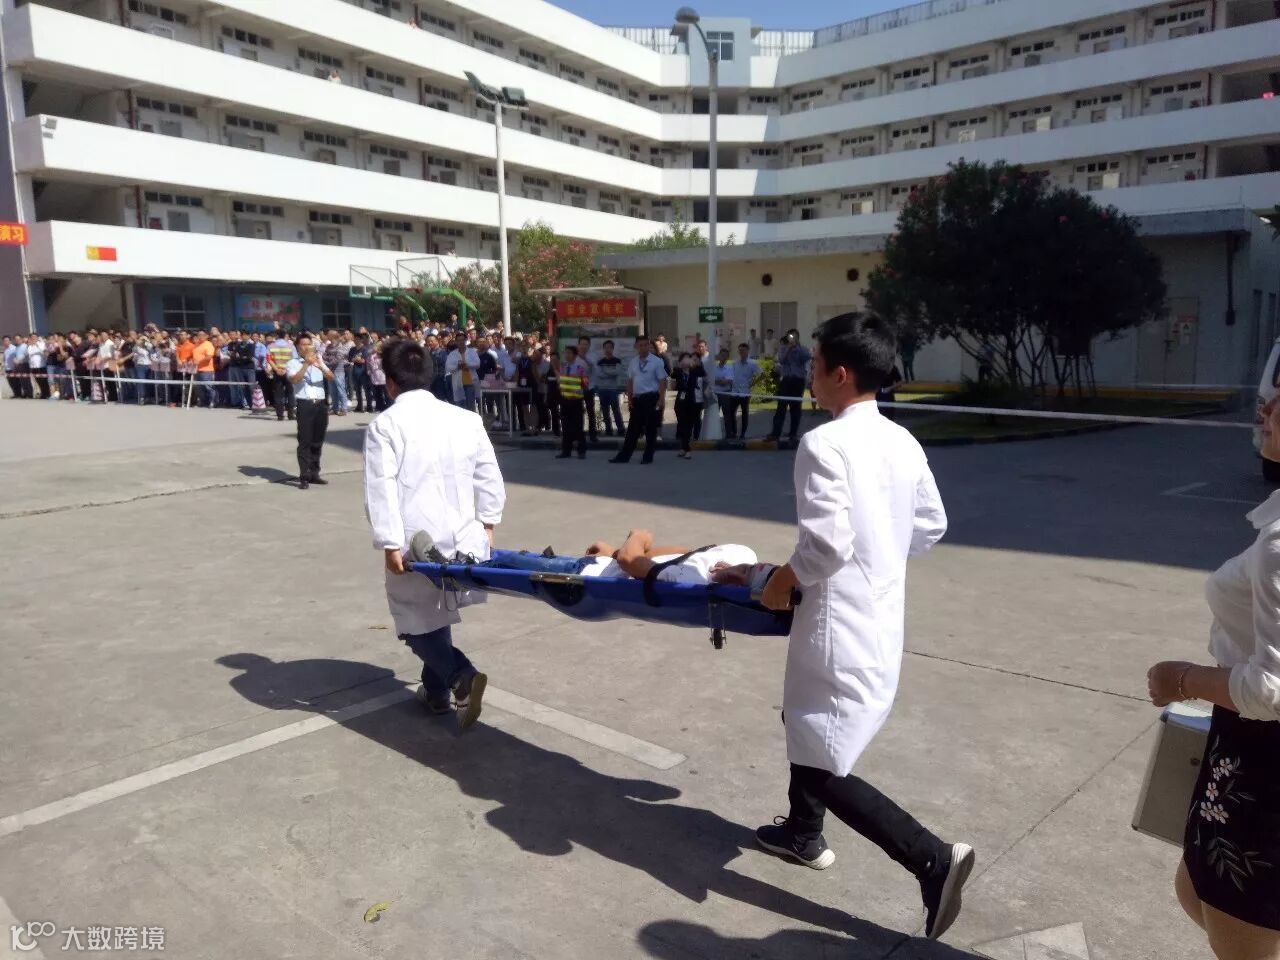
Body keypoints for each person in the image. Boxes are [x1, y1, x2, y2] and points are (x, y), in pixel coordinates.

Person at [754, 312, 971, 942]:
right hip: (877, 613)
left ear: (840, 373)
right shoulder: (902, 440)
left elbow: (825, 546)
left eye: (815, 364)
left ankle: (931, 858)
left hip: (835, 621)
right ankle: (803, 833)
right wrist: (882, 551)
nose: (809, 375)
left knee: (820, 753)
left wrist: (781, 579)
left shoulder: (824, 444)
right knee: (806, 722)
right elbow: (930, 526)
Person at [1147, 395, 1280, 960]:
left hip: (1263, 764)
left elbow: (1272, 689)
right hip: (1245, 750)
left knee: (1234, 918)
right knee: (1197, 887)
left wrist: (1182, 678)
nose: (1265, 408)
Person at [363, 338, 505, 728]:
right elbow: (489, 475)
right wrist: (488, 523)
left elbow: (381, 489)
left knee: (413, 619)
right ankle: (437, 693)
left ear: (391, 382)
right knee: (435, 612)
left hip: (416, 540)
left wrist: (389, 542)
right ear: (429, 375)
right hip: (464, 536)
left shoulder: (385, 425)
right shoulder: (465, 419)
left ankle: (461, 676)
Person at [287, 333, 335, 490]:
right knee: (305, 441)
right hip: (305, 404)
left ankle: (315, 473)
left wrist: (319, 365)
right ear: (297, 347)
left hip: (320, 404)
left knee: (318, 441)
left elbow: (331, 377)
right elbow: (294, 379)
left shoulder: (318, 360)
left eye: (309, 344)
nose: (307, 347)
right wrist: (306, 364)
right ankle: (304, 476)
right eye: (303, 344)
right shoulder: (293, 363)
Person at [611, 335, 666, 465]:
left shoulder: (656, 361)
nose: (643, 348)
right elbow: (630, 381)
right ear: (636, 347)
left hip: (651, 398)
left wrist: (661, 399)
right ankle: (624, 456)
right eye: (640, 345)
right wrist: (630, 398)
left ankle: (648, 456)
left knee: (650, 429)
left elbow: (663, 381)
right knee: (632, 429)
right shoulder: (633, 362)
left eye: (646, 345)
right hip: (637, 399)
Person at [765, 329, 811, 444]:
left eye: (794, 337)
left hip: (798, 380)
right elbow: (781, 360)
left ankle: (793, 434)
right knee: (781, 407)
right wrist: (789, 348)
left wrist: (797, 347)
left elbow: (807, 356)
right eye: (790, 337)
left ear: (797, 337)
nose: (791, 339)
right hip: (786, 380)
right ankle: (775, 433)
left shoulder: (802, 349)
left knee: (796, 408)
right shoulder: (783, 348)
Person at [671, 351, 706, 460]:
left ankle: (684, 448)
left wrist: (693, 366)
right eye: (684, 359)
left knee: (689, 426)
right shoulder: (678, 371)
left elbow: (702, 373)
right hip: (680, 401)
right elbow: (673, 384)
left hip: (692, 401)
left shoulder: (695, 371)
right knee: (683, 425)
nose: (686, 361)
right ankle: (686, 448)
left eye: (688, 359)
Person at [557, 345, 589, 460]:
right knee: (565, 427)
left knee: (578, 427)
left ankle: (581, 451)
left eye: (569, 353)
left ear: (575, 355)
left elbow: (585, 383)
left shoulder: (580, 368)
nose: (567, 355)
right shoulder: (563, 367)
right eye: (565, 353)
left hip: (576, 400)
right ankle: (566, 451)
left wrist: (580, 388)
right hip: (565, 400)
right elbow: (561, 382)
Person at [726, 343, 759, 440]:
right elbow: (731, 376)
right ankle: (734, 432)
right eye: (740, 351)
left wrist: (753, 383)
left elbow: (761, 374)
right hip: (734, 392)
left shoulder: (752, 363)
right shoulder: (735, 363)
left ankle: (742, 434)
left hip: (745, 392)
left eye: (743, 350)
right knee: (731, 412)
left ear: (747, 351)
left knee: (744, 413)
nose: (741, 352)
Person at [593, 339, 625, 437]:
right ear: (603, 349)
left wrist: (605, 371)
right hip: (602, 389)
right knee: (605, 411)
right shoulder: (600, 362)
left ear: (613, 349)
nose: (608, 349)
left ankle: (621, 430)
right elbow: (599, 374)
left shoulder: (617, 361)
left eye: (610, 347)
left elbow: (617, 372)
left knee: (616, 410)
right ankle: (608, 430)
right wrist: (610, 372)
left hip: (613, 389)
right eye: (606, 347)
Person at [266, 331, 296, 420]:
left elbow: (268, 359)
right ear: (285, 336)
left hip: (277, 372)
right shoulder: (291, 346)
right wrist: (286, 369)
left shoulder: (270, 346)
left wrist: (276, 369)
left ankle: (280, 415)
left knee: (278, 393)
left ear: (276, 336)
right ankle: (291, 414)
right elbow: (294, 359)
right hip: (288, 371)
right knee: (290, 393)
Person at [446, 335, 480, 413]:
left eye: (462, 340)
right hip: (458, 383)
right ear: (456, 342)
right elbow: (448, 367)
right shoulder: (452, 354)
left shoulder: (472, 352)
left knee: (470, 406)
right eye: (458, 340)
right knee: (460, 407)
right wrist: (457, 366)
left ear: (465, 341)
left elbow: (478, 364)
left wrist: (467, 365)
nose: (461, 342)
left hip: (470, 382)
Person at [576, 335, 599, 444]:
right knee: (578, 412)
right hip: (577, 388)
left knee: (590, 412)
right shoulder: (574, 356)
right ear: (578, 345)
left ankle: (593, 434)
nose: (583, 346)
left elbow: (594, 368)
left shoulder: (593, 355)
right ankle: (579, 434)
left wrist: (585, 358)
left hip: (589, 387)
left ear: (589, 346)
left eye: (586, 344)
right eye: (582, 344)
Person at [191, 330, 217, 408]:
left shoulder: (208, 344)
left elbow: (209, 357)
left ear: (206, 336)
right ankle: (202, 402)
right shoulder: (196, 345)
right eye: (199, 335)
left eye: (202, 335)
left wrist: (199, 361)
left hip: (207, 370)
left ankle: (212, 402)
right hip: (196, 369)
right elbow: (194, 356)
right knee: (199, 388)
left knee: (208, 387)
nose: (200, 336)